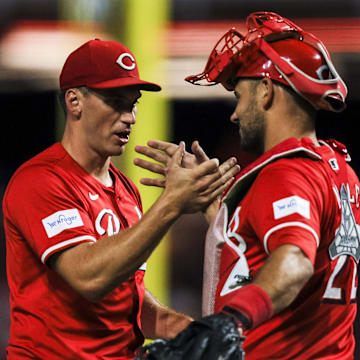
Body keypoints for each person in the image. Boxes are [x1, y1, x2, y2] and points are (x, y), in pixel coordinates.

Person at [134, 11, 360, 359]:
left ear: (267, 91)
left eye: (239, 96)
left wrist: (232, 320)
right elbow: (259, 252)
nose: (235, 114)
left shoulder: (286, 172)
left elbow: (295, 260)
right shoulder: (338, 169)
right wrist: (215, 205)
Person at [2, 39, 240, 359]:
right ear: (74, 101)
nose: (129, 116)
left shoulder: (126, 190)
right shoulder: (41, 181)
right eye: (115, 101)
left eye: (133, 103)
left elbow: (126, 301)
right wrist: (171, 204)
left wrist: (184, 329)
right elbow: (88, 279)